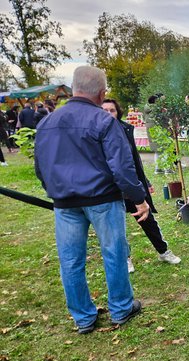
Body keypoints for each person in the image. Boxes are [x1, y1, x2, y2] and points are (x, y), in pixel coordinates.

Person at [34, 66, 147, 334]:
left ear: (74, 88)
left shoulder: (47, 122)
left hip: (65, 203)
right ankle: (121, 308)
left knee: (71, 261)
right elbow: (122, 167)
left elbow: (40, 167)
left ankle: (83, 318)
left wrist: (55, 188)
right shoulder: (104, 121)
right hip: (102, 199)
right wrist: (138, 198)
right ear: (102, 92)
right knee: (114, 253)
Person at [102, 99, 181, 272]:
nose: (108, 114)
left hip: (131, 186)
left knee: (147, 220)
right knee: (116, 226)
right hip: (111, 188)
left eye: (112, 110)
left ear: (118, 112)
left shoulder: (125, 130)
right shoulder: (96, 133)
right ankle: (125, 258)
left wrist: (145, 181)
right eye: (104, 110)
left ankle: (163, 251)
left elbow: (134, 161)